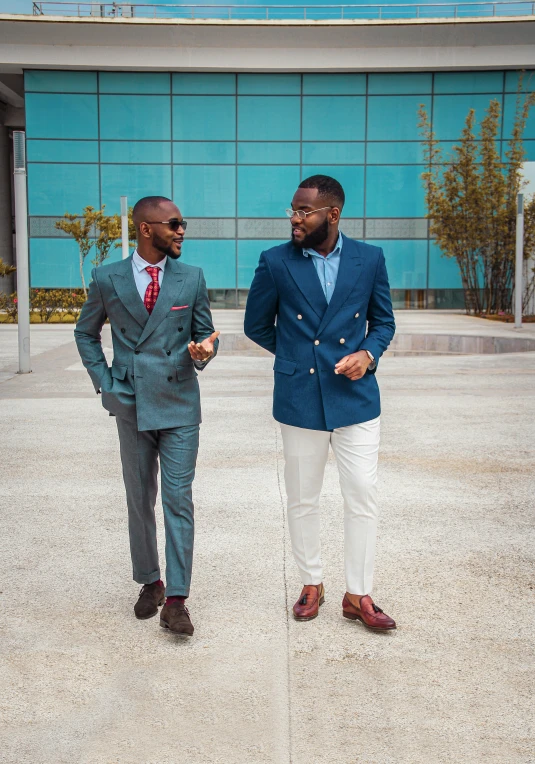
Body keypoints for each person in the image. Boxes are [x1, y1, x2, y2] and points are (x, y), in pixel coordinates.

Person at [244, 175, 396, 630]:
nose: (294, 218)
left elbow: (383, 322)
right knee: (302, 498)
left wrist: (368, 355)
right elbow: (257, 325)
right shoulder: (275, 261)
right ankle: (312, 581)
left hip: (356, 398)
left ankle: (359, 593)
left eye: (303, 211)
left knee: (363, 496)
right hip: (300, 398)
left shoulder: (370, 259)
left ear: (332, 214)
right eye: (292, 210)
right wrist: (298, 358)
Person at [75, 195, 219, 637]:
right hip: (131, 403)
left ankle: (176, 599)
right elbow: (85, 332)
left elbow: (206, 334)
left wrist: (204, 351)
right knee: (139, 500)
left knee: (178, 500)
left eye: (183, 223)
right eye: (174, 224)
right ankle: (150, 582)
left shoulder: (190, 278)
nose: (181, 231)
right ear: (145, 228)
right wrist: (107, 382)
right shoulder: (107, 278)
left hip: (179, 404)